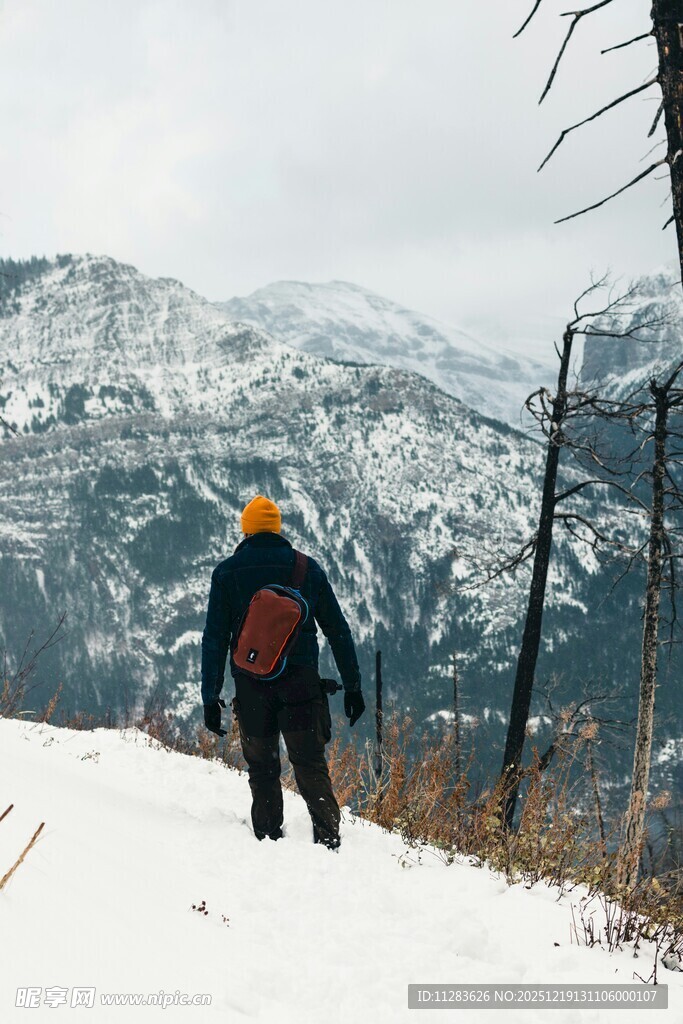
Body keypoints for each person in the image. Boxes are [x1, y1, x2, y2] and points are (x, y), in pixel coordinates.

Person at [200, 494, 365, 849]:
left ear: (245, 531)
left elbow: (214, 639)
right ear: (277, 529)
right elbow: (338, 630)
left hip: (251, 687)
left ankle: (267, 838)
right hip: (301, 686)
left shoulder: (227, 573)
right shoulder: (307, 568)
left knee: (262, 769)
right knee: (309, 764)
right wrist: (353, 686)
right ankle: (329, 839)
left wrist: (210, 698)